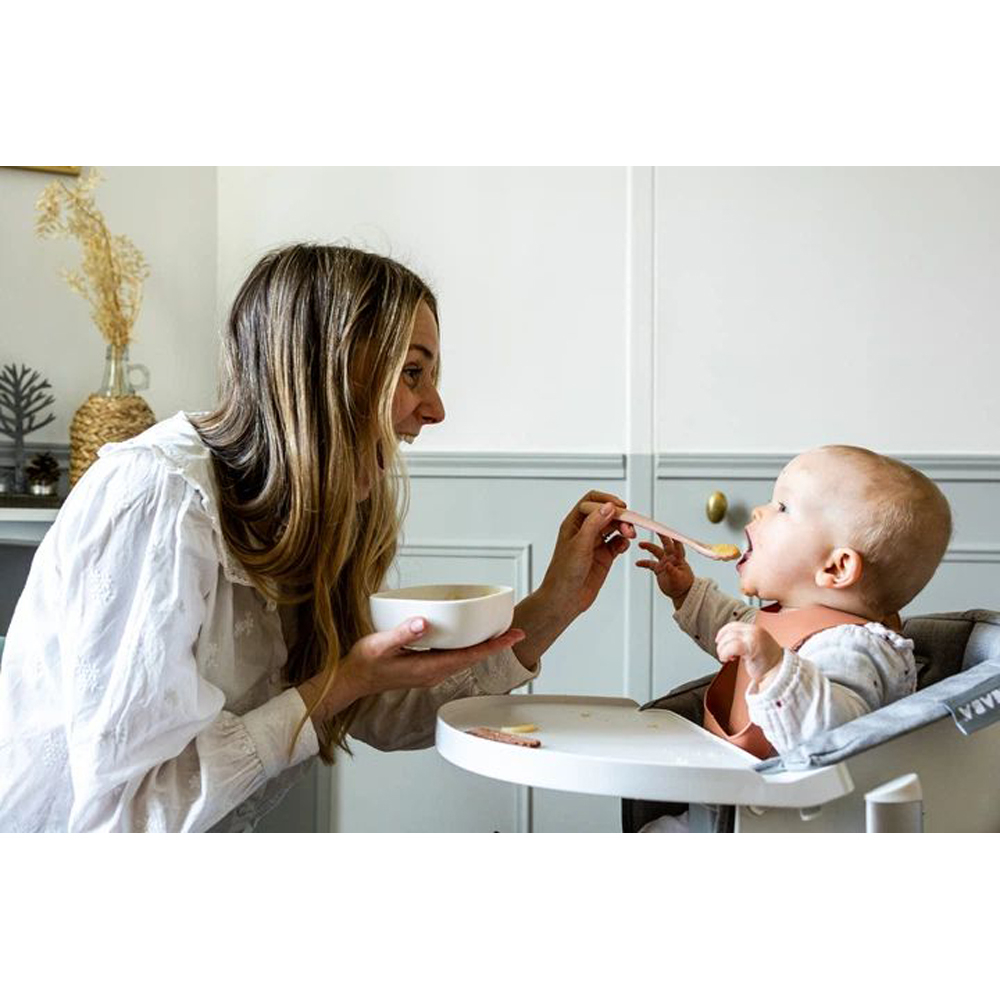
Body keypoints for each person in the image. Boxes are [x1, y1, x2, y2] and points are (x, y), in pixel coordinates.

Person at [0, 243, 635, 832]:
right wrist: (343, 683)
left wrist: (556, 602)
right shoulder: (159, 497)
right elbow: (125, 818)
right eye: (413, 372)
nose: (436, 409)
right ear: (324, 373)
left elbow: (380, 711)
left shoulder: (316, 506)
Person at [632, 444, 952, 832]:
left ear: (835, 567)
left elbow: (836, 736)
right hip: (733, 803)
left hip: (794, 821)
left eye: (782, 507)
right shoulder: (782, 619)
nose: (759, 511)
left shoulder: (855, 647)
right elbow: (729, 625)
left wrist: (774, 669)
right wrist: (686, 592)